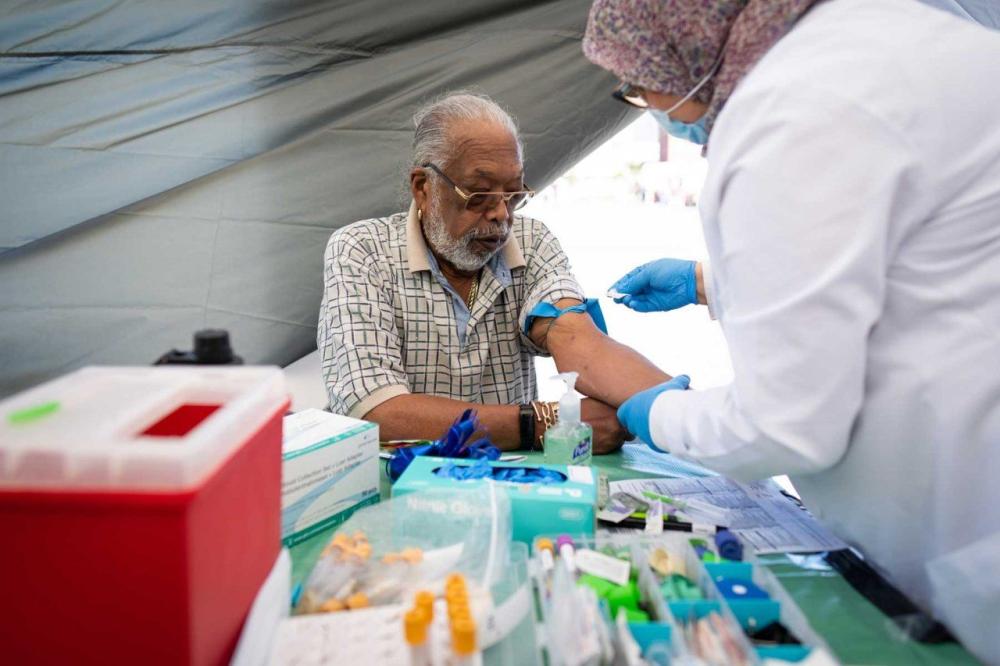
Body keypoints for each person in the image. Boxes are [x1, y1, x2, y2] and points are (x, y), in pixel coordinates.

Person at [583, 0, 1000, 661]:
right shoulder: (871, 40)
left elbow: (783, 424)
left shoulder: (793, 106)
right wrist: (707, 282)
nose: (645, 99)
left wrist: (653, 408)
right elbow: (908, 262)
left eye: (637, 82)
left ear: (688, 41)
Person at [317, 92, 673, 453]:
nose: (502, 214)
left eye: (513, 193)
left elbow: (578, 341)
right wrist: (540, 423)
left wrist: (685, 413)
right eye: (479, 194)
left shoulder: (531, 243)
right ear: (423, 188)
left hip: (507, 485)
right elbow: (377, 414)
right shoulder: (362, 250)